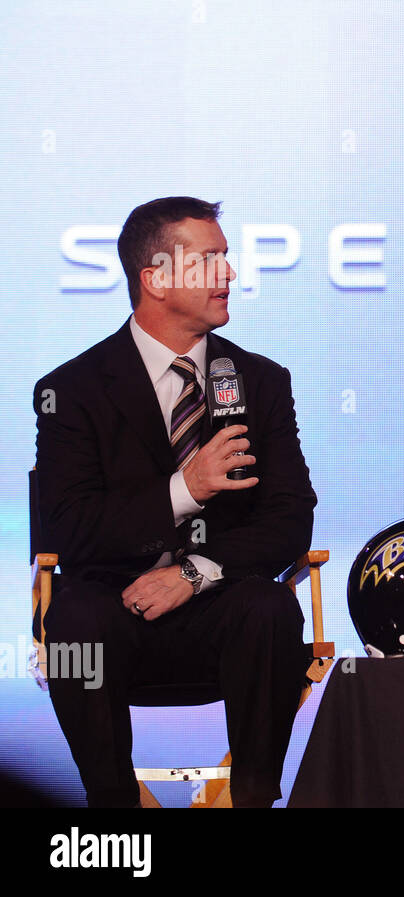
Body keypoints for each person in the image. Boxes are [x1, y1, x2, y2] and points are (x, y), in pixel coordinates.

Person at [33, 196, 316, 807]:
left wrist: (194, 573)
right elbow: (66, 527)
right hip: (115, 608)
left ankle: (255, 800)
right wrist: (185, 490)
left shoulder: (262, 382)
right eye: (210, 259)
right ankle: (114, 820)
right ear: (156, 278)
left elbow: (290, 518)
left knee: (269, 608)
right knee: (74, 620)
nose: (230, 275)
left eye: (227, 258)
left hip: (222, 602)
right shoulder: (71, 391)